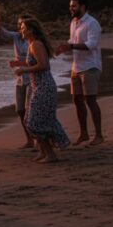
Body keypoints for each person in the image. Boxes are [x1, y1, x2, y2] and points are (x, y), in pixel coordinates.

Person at [13, 18, 70, 163]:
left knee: (35, 121)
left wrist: (24, 69)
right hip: (36, 86)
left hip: (44, 86)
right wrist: (20, 64)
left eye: (23, 28)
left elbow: (44, 65)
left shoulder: (36, 44)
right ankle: (43, 152)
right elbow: (35, 61)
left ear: (31, 30)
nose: (21, 30)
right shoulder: (32, 44)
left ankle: (50, 154)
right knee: (30, 119)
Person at [55, 0, 104, 146]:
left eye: (74, 6)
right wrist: (63, 47)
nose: (71, 8)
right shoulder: (73, 22)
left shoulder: (92, 23)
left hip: (91, 66)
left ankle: (99, 135)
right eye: (70, 6)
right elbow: (73, 41)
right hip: (77, 66)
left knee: (90, 100)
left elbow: (91, 45)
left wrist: (71, 46)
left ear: (83, 6)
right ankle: (84, 133)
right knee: (76, 99)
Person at [0, 13, 35, 149]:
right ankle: (29, 139)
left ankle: (40, 140)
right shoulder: (16, 36)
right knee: (20, 110)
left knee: (31, 111)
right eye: (18, 24)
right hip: (20, 79)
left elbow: (39, 62)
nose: (20, 27)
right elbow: (0, 32)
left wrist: (18, 63)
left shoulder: (33, 40)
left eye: (22, 24)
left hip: (33, 79)